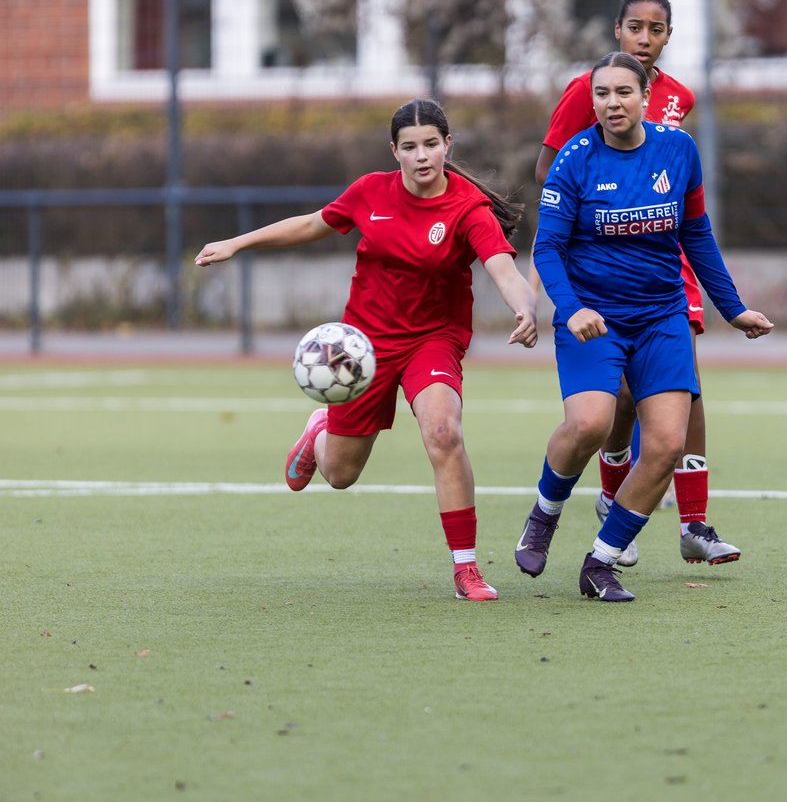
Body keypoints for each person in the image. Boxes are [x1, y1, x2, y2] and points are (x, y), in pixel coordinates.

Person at [194, 98, 538, 602]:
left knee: (443, 432)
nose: (422, 156)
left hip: (432, 340)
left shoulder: (468, 207)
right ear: (394, 151)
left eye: (431, 144)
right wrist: (237, 243)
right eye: (410, 147)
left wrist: (526, 309)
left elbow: (503, 268)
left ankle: (466, 569)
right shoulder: (370, 192)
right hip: (364, 346)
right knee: (340, 474)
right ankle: (318, 438)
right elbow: (312, 224)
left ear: (448, 145)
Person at [514, 52, 773, 602]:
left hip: (661, 317)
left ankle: (601, 561)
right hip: (593, 319)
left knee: (666, 444)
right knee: (589, 425)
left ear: (645, 98)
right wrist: (571, 307)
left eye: (623, 92)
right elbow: (548, 247)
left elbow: (697, 235)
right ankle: (544, 513)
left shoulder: (678, 150)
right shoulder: (574, 160)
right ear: (593, 101)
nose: (612, 103)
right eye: (602, 94)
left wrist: (733, 309)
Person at [532, 0, 738, 569]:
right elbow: (553, 169)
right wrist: (548, 271)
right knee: (615, 400)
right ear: (618, 31)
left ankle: (694, 522)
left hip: (665, 262)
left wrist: (732, 302)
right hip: (597, 264)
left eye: (656, 29)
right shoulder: (589, 91)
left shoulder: (680, 100)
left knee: (685, 388)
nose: (644, 38)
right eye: (634, 28)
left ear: (669, 35)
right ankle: (609, 492)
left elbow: (678, 190)